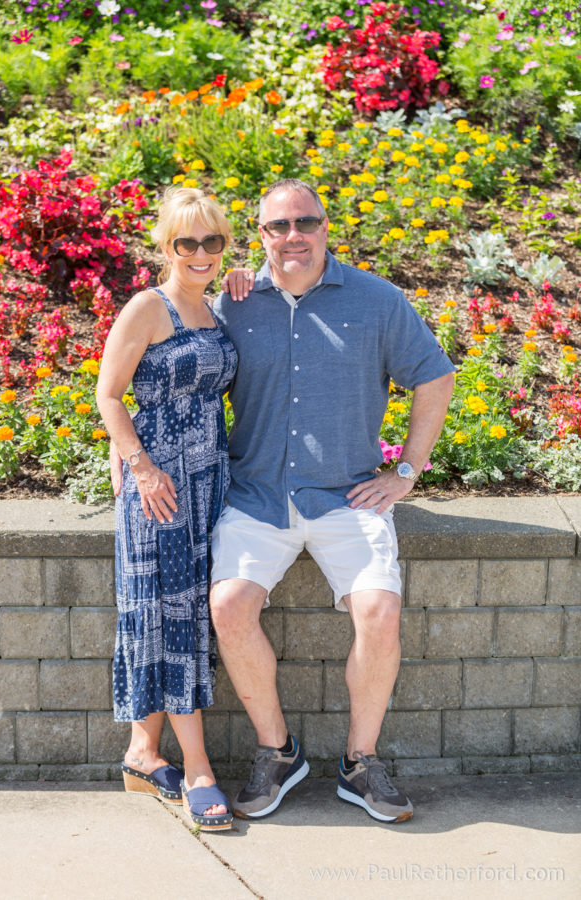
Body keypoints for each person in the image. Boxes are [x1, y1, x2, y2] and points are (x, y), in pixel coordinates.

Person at [209, 178, 455, 824]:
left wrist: (405, 472)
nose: (293, 236)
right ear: (261, 234)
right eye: (278, 226)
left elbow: (435, 377)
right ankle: (278, 751)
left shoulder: (377, 300)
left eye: (306, 223)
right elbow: (174, 357)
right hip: (257, 495)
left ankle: (359, 761)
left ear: (325, 227)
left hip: (349, 497)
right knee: (228, 606)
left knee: (380, 611)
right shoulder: (233, 303)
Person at [96, 186, 239, 831]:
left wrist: (242, 282)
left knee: (169, 615)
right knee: (173, 617)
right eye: (188, 242)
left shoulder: (215, 305)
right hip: (161, 490)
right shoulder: (148, 307)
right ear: (166, 246)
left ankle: (142, 754)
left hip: (207, 483)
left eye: (213, 240)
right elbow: (109, 394)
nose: (201, 252)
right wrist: (140, 467)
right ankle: (199, 770)